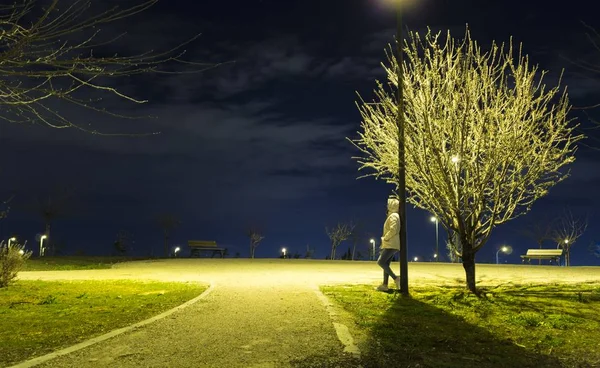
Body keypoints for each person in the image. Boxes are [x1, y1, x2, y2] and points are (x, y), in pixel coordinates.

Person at [376, 197, 401, 292]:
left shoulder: (394, 216)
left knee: (380, 262)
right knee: (385, 264)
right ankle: (385, 285)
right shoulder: (393, 215)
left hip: (391, 243)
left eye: (388, 204)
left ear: (392, 205)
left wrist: (385, 238)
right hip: (391, 243)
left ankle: (396, 278)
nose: (387, 206)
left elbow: (393, 229)